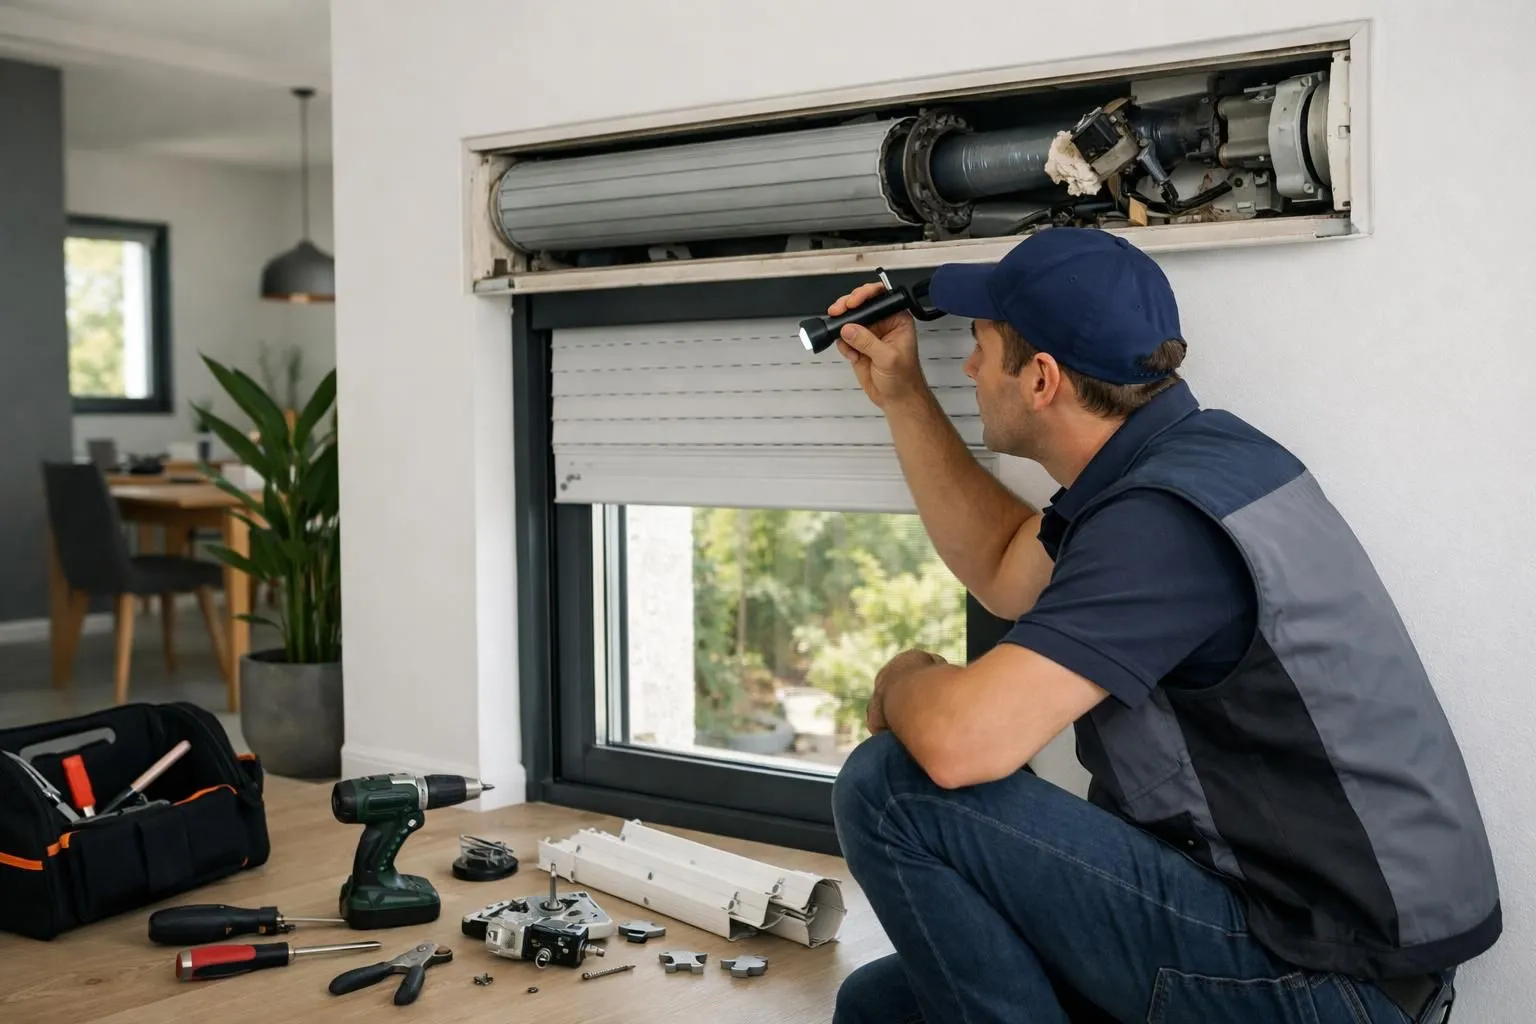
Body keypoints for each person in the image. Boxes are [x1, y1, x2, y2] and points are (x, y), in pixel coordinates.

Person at [825, 228, 1500, 1024]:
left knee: (891, 789)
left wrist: (902, 678)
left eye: (979, 346)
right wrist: (904, 395)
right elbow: (1009, 568)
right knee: (882, 1008)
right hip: (1285, 930)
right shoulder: (1195, 457)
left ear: (1040, 379)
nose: (968, 368)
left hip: (1321, 982)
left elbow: (960, 744)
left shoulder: (1160, 526)